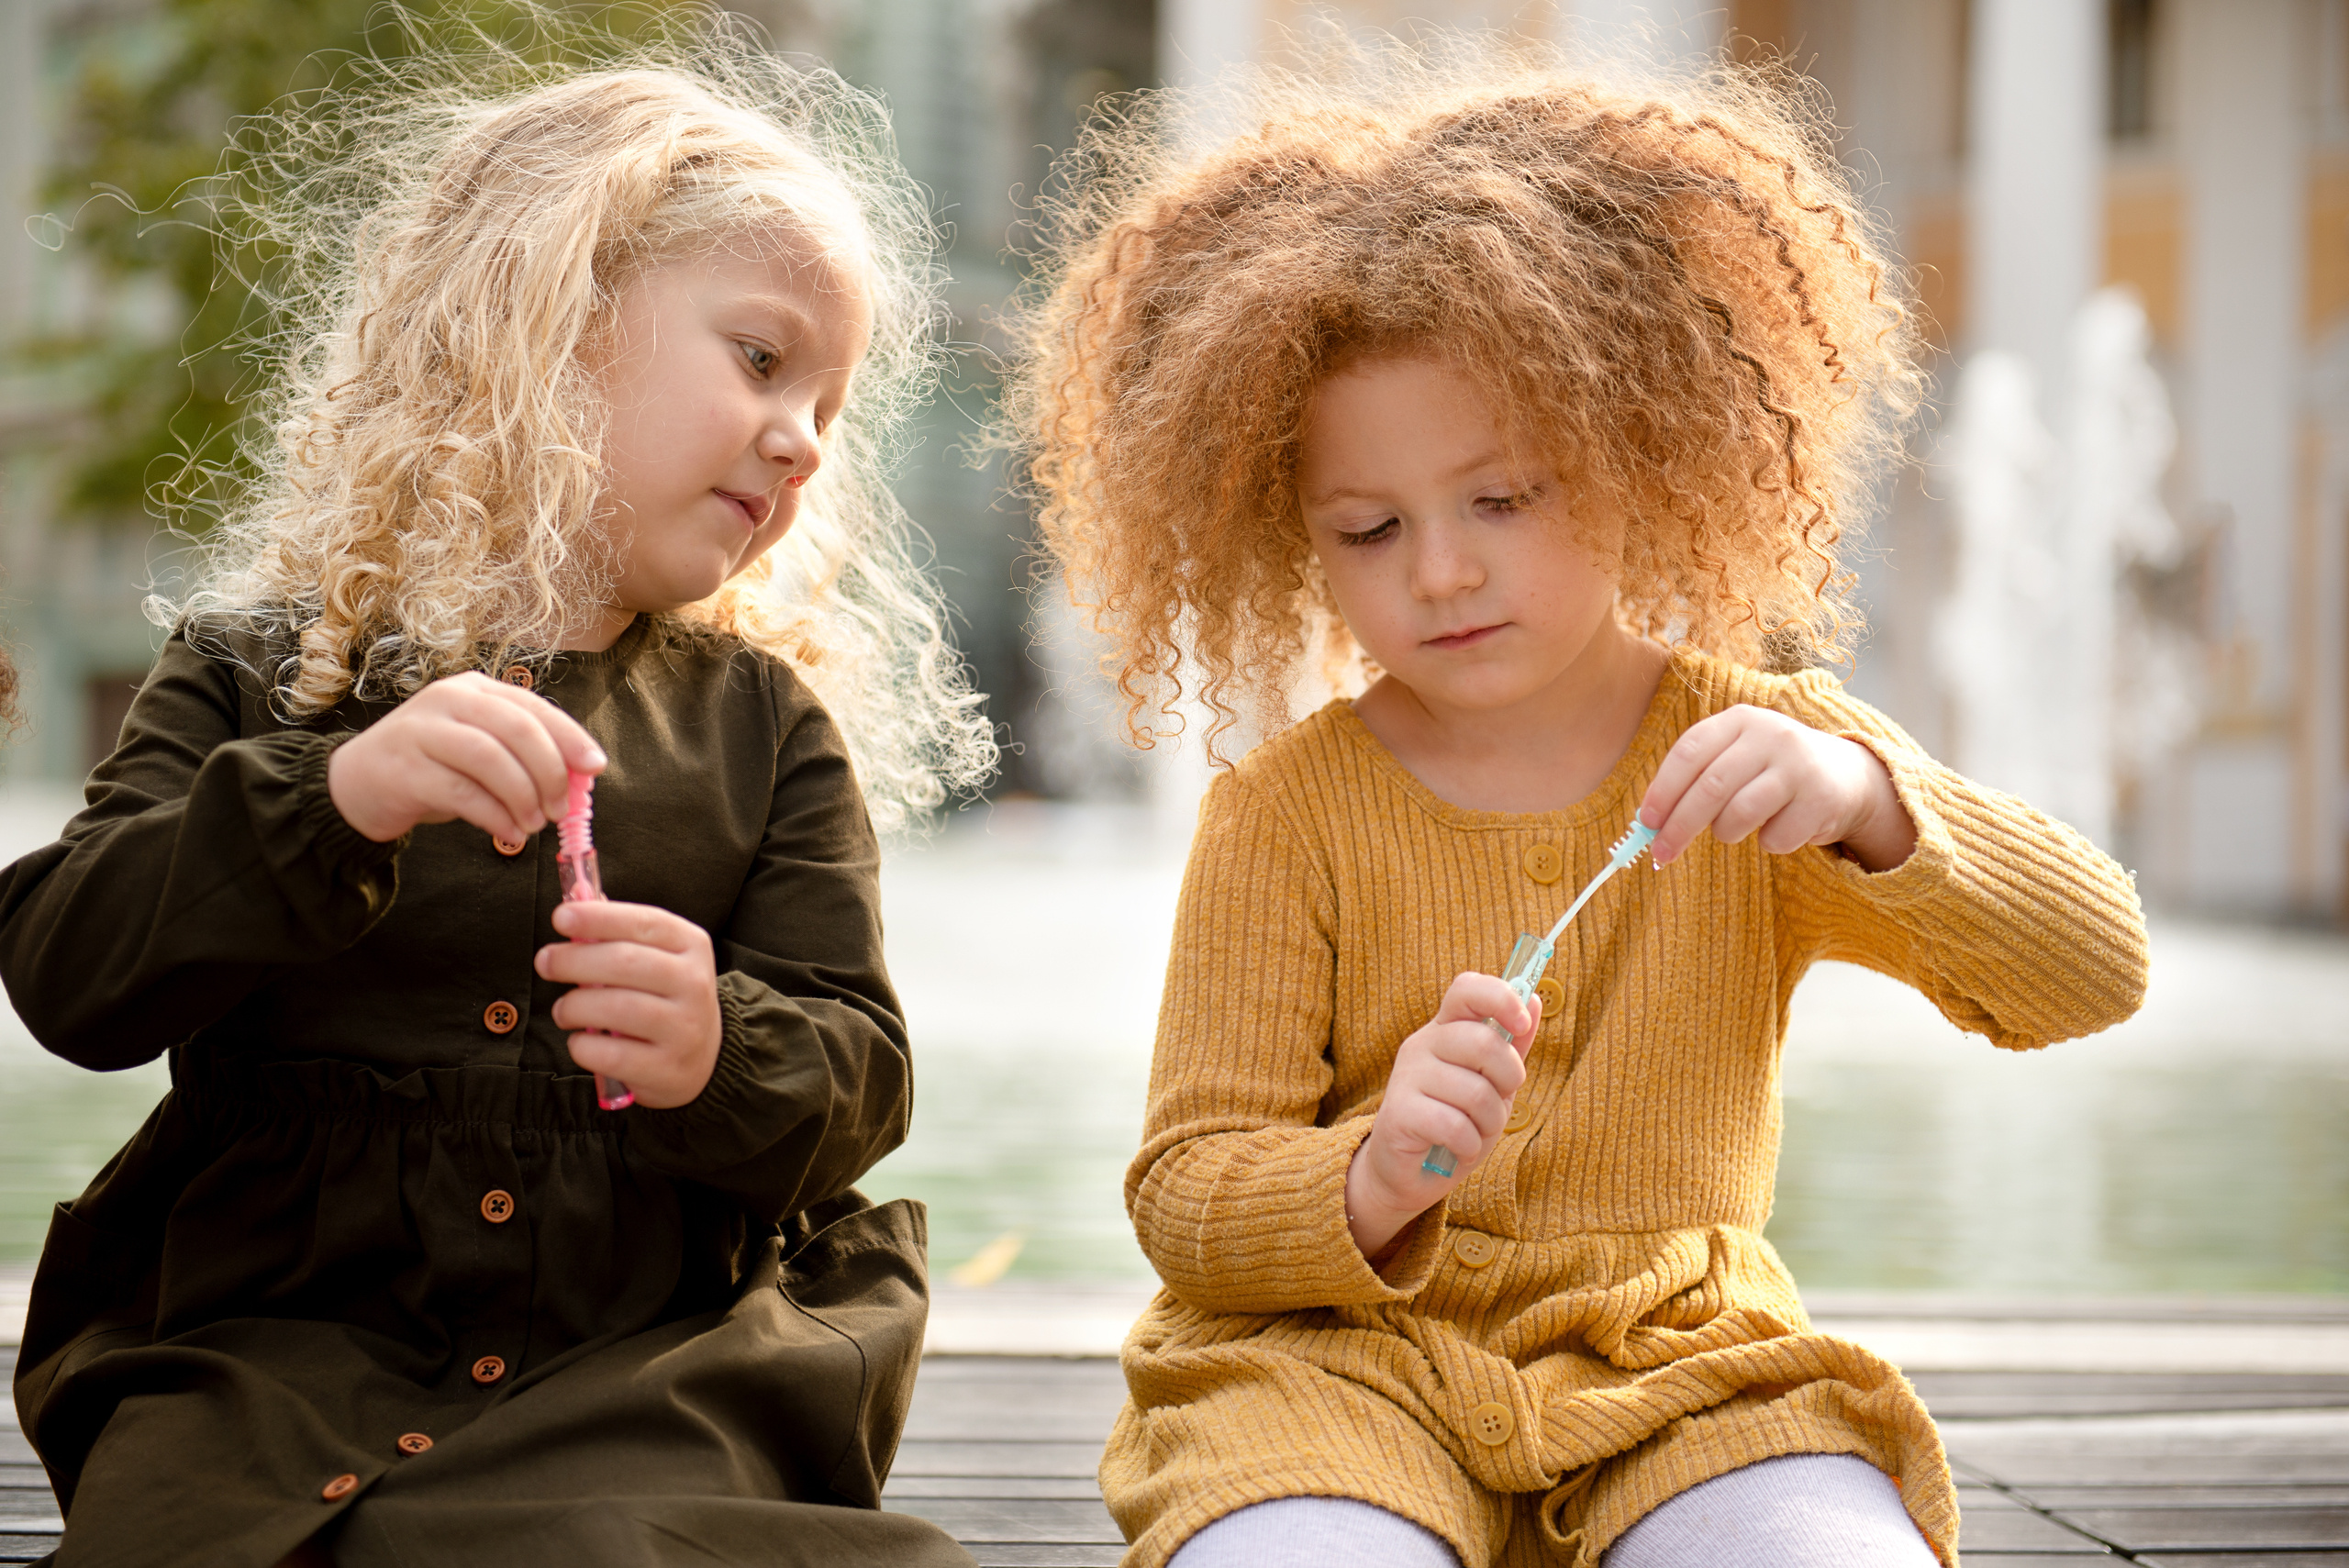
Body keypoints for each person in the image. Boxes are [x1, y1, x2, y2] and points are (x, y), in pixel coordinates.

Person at [1003, 38, 2149, 1568]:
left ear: (1636, 449)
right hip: (1322, 1367)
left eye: (1503, 497)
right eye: (1368, 526)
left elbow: (2092, 972)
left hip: (1683, 1366)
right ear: (1297, 534)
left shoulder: (1767, 762)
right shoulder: (1287, 810)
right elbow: (1187, 1189)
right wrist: (1372, 1167)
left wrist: (1876, 802)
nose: (1441, 570)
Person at [0, 27, 993, 1568]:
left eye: (831, 402)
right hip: (279, 1355)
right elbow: (72, 969)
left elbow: (860, 1073)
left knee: (609, 1541)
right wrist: (332, 798)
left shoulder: (766, 728)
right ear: (547, 319)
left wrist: (719, 1045)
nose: (802, 435)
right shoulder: (267, 673)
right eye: (760, 356)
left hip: (642, 1362)